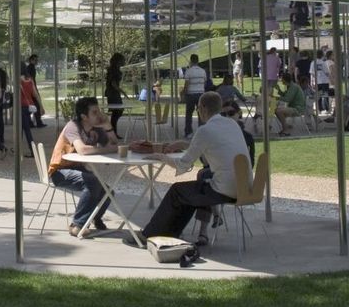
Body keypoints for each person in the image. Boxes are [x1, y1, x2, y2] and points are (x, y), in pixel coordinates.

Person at [128, 92, 251, 247]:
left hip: (225, 189)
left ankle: (148, 235)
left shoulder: (205, 130)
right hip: (246, 187)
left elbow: (183, 165)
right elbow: (209, 143)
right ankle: (170, 236)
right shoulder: (231, 124)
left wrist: (161, 157)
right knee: (187, 194)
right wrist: (182, 144)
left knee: (177, 191)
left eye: (198, 108)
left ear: (202, 108)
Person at [47, 96, 113, 237]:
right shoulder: (73, 126)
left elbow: (114, 144)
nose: (99, 115)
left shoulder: (96, 128)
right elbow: (82, 149)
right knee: (93, 182)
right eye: (94, 112)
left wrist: (108, 126)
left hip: (79, 169)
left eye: (99, 111)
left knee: (108, 192)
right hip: (59, 171)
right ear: (84, 116)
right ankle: (77, 225)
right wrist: (108, 150)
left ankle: (95, 217)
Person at [181, 54, 207, 137]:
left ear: (191, 61)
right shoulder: (203, 71)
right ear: (198, 61)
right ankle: (202, 131)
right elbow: (205, 82)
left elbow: (186, 85)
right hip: (200, 93)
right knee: (201, 113)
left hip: (191, 94)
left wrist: (183, 94)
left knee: (189, 114)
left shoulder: (189, 71)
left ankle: (189, 132)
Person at [274, 71, 306, 136]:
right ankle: (286, 126)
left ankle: (286, 129)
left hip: (297, 109)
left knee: (279, 111)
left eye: (281, 79)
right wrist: (279, 90)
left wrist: (276, 98)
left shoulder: (293, 87)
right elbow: (285, 95)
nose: (281, 80)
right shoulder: (290, 86)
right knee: (276, 110)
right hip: (294, 107)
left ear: (284, 80)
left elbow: (287, 99)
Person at [18, 70, 41, 157]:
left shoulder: (19, 80)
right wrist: (41, 106)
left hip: (21, 106)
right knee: (24, 128)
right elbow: (35, 94)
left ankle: (32, 150)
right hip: (29, 106)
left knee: (25, 130)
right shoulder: (30, 80)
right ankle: (20, 148)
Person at [104, 52, 125, 137]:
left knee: (117, 112)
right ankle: (112, 132)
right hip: (112, 93)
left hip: (113, 93)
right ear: (118, 61)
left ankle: (112, 132)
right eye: (122, 60)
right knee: (117, 111)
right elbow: (113, 83)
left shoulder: (115, 69)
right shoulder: (113, 70)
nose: (124, 61)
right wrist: (122, 91)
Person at [314, 50, 334, 115]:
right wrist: (331, 78)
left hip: (318, 81)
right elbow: (327, 72)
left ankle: (319, 109)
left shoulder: (313, 62)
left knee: (319, 95)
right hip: (324, 81)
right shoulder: (323, 63)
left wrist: (313, 81)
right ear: (322, 55)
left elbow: (312, 73)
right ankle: (326, 108)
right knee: (325, 95)